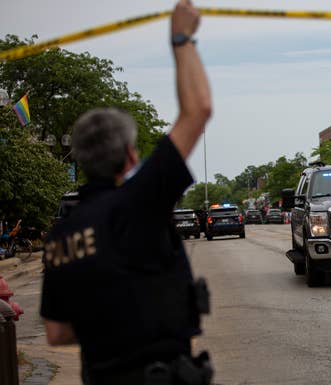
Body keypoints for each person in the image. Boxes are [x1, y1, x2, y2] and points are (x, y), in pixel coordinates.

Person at [40, 2, 213, 384]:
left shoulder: (59, 237)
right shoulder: (139, 201)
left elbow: (56, 333)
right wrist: (181, 38)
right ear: (131, 154)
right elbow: (197, 110)